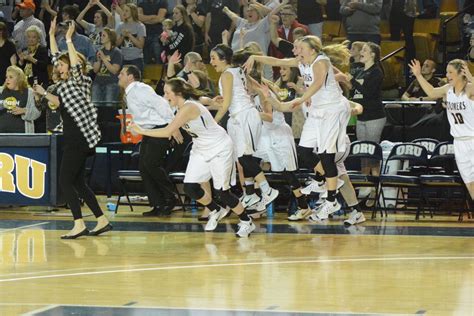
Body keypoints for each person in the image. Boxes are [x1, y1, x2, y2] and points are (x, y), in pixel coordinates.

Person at [131, 78, 256, 237]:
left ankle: (246, 221)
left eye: (167, 93)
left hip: (219, 147)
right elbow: (203, 100)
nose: (165, 96)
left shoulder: (188, 108)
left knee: (223, 193)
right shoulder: (184, 104)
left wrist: (141, 130)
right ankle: (215, 209)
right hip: (200, 148)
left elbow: (167, 132)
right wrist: (212, 102)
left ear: (177, 94)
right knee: (190, 187)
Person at [244, 36, 352, 219]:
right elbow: (277, 61)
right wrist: (255, 57)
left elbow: (318, 83)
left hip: (332, 110)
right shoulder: (301, 62)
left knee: (327, 155)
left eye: (299, 48)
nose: (295, 51)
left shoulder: (320, 61)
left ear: (311, 49)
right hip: (317, 110)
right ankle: (322, 180)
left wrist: (301, 98)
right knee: (304, 151)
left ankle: (331, 200)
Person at [32, 19, 112, 239]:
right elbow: (56, 57)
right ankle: (102, 220)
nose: (58, 66)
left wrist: (68, 39)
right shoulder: (64, 84)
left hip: (79, 138)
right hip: (74, 137)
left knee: (65, 180)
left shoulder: (81, 80)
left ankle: (78, 224)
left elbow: (72, 64)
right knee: (78, 182)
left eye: (63, 64)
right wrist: (51, 34)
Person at [204, 45, 279, 211]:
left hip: (244, 117)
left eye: (213, 58)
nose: (211, 62)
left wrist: (213, 123)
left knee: (245, 158)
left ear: (223, 59)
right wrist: (221, 100)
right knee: (242, 158)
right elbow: (235, 96)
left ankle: (267, 190)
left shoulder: (227, 74)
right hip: (241, 117)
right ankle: (251, 194)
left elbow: (229, 103)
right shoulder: (237, 71)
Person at [118, 64, 182, 217]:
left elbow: (161, 104)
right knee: (144, 167)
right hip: (149, 132)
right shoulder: (130, 92)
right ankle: (158, 203)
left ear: (130, 77)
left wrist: (174, 126)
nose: (118, 76)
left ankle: (170, 198)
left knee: (152, 164)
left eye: (122, 73)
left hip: (160, 129)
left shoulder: (140, 89)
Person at [409, 59, 474, 202]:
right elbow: (432, 92)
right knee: (469, 181)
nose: (447, 75)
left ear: (461, 73)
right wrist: (418, 75)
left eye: (450, 72)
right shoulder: (447, 89)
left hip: (472, 139)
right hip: (459, 142)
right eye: (446, 72)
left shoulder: (469, 88)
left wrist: (469, 76)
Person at [348, 42, 385, 207]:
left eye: (364, 50)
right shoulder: (360, 71)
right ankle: (365, 185)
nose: (361, 52)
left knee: (372, 151)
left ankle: (375, 187)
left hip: (374, 116)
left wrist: (352, 82)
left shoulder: (376, 72)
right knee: (363, 152)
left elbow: (368, 93)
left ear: (373, 55)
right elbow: (355, 93)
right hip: (361, 116)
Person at [0, 65, 40, 133]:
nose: (7, 79)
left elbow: (37, 113)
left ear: (19, 79)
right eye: (6, 77)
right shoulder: (1, 91)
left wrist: (24, 111)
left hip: (22, 137)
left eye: (11, 77)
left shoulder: (29, 92)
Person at [92, 28, 123, 107]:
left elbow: (114, 70)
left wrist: (104, 59)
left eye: (103, 35)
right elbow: (95, 70)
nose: (101, 37)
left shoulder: (117, 52)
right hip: (98, 82)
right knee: (95, 106)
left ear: (110, 37)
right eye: (101, 35)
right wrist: (99, 61)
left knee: (109, 107)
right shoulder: (99, 51)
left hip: (111, 83)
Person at [117, 4, 146, 73]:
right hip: (123, 59)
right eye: (123, 10)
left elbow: (140, 45)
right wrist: (123, 36)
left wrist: (129, 35)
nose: (124, 12)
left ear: (133, 12)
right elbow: (116, 43)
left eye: (127, 11)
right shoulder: (121, 25)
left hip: (136, 59)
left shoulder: (140, 26)